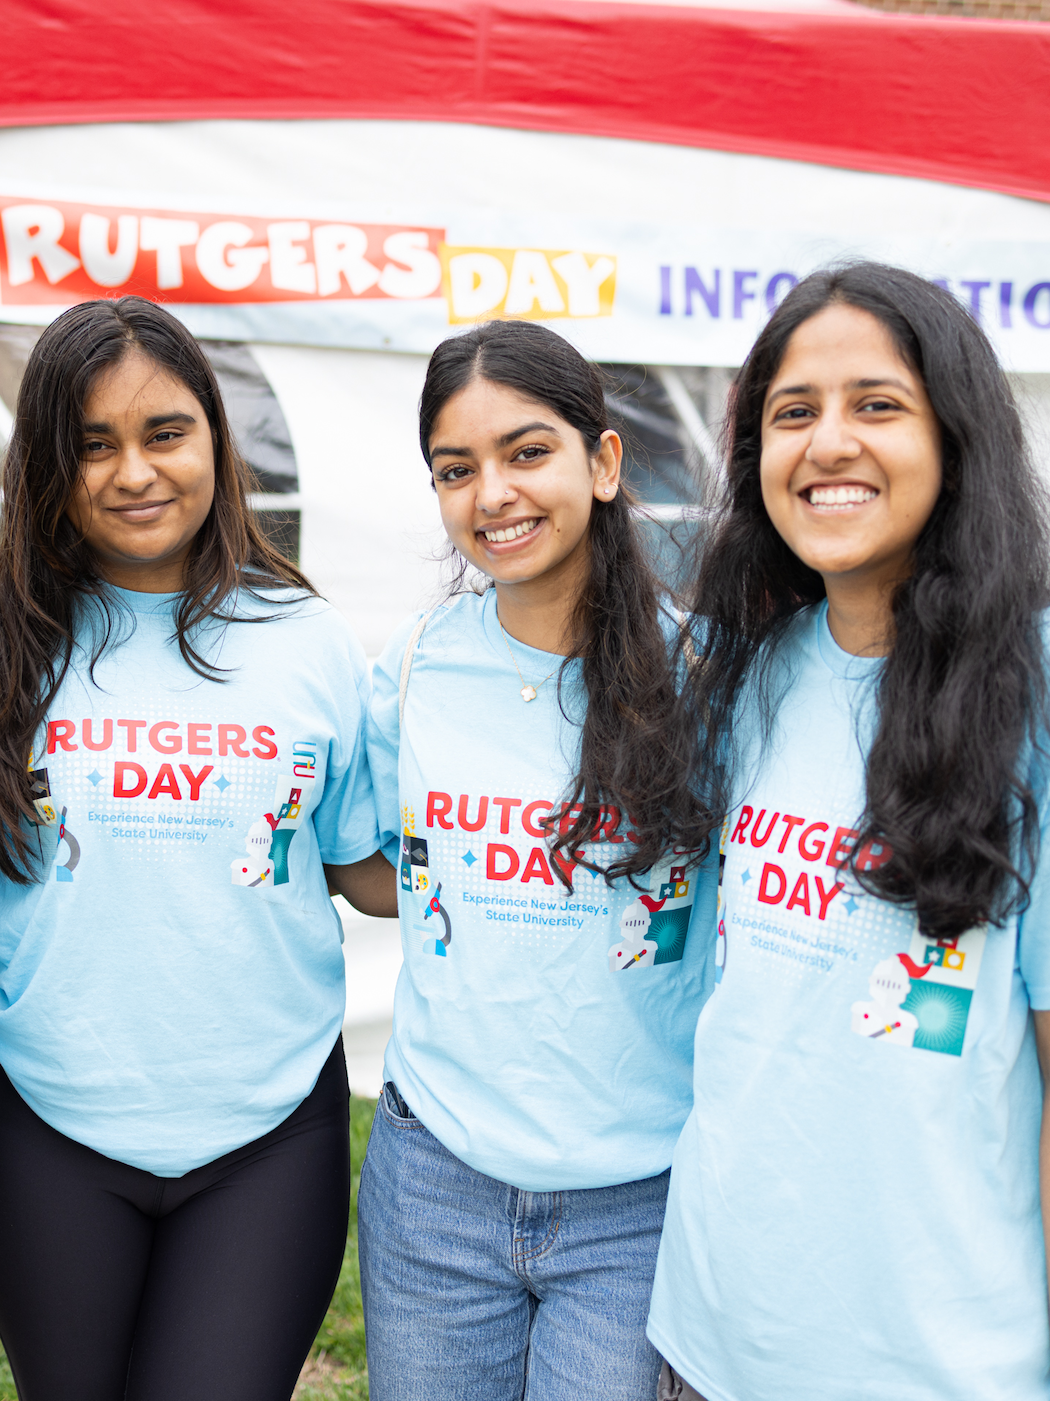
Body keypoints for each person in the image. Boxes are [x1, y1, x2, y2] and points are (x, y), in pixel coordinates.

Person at [648, 262, 1050, 1401]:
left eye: (877, 405)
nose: (828, 443)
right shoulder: (746, 676)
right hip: (706, 1342)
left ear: (956, 436)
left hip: (934, 1368)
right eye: (792, 413)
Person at [0, 295, 378, 1401]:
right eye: (93, 445)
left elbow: (368, 867)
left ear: (215, 442)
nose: (134, 472)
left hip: (268, 1135)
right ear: (46, 467)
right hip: (45, 1123)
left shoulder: (311, 641)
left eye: (164, 433)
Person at [329, 318, 712, 1401]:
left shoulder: (710, 681)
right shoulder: (414, 664)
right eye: (458, 470)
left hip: (639, 1199)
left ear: (602, 461)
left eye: (527, 452)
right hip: (433, 1185)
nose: (492, 493)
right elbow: (380, 872)